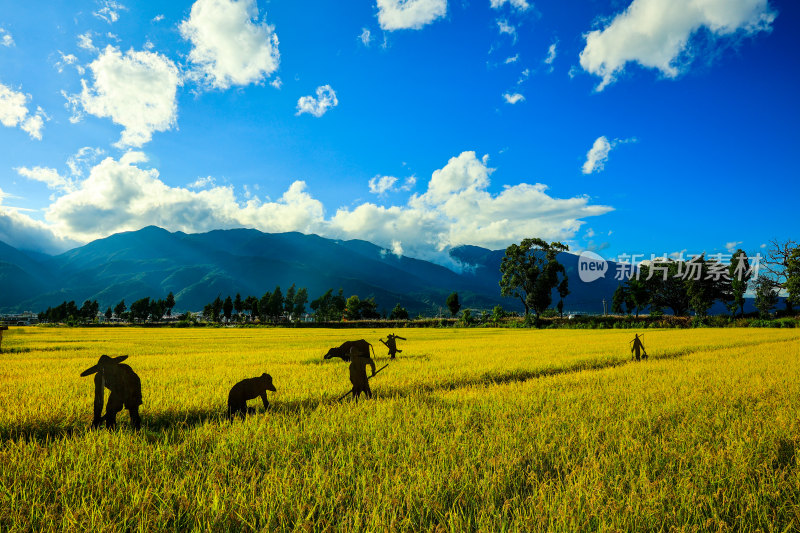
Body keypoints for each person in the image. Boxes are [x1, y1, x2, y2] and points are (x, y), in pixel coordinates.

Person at [80, 355, 142, 429]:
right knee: (110, 409)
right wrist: (97, 418)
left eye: (109, 368)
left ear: (114, 365)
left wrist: (105, 416)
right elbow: (99, 398)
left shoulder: (124, 370)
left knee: (133, 408)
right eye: (104, 369)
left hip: (133, 386)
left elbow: (122, 393)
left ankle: (137, 430)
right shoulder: (99, 377)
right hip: (116, 389)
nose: (107, 371)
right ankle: (111, 431)